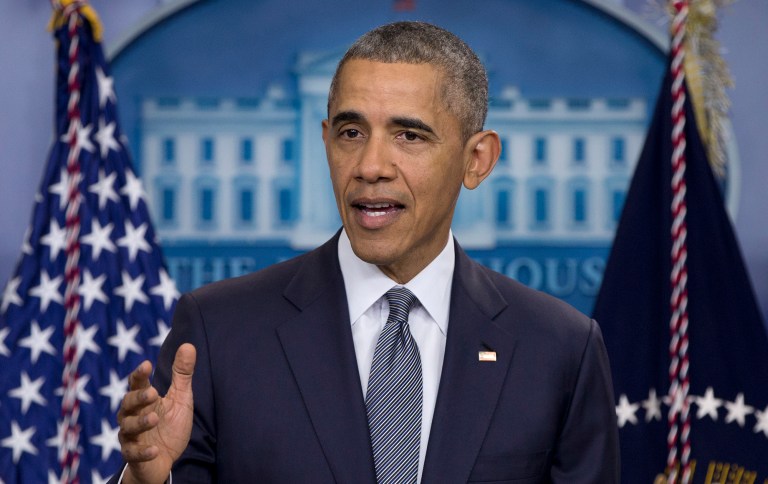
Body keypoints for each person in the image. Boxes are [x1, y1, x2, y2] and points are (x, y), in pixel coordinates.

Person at [114, 21, 619, 483]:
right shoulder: (217, 331)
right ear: (325, 140)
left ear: (476, 160)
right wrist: (144, 482)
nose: (370, 165)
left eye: (409, 135)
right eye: (351, 133)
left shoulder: (559, 350)